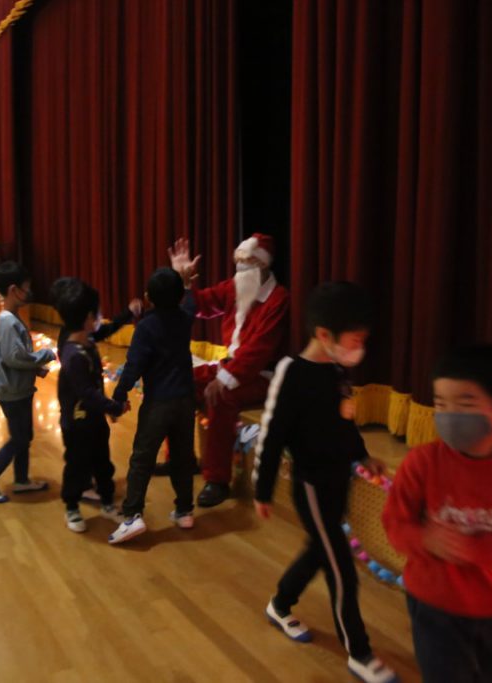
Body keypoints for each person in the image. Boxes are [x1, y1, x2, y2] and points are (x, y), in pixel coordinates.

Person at [253, 282, 396, 683]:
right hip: (311, 486)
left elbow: (344, 421)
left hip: (338, 481)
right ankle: (360, 654)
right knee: (341, 570)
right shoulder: (292, 372)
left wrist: (362, 455)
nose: (360, 348)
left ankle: (280, 604)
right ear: (323, 334)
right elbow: (272, 434)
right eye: (355, 340)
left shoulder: (336, 369)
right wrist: (262, 490)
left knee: (319, 551)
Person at [382, 345, 492, 683]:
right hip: (433, 605)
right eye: (440, 404)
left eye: (465, 404)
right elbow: (395, 526)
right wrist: (425, 539)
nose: (448, 415)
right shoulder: (421, 462)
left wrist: (470, 548)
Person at [169, 234, 289, 508]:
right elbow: (199, 305)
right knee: (177, 382)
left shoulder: (278, 298)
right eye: (238, 260)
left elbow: (258, 352)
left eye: (246, 260)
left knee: (221, 397)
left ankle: (217, 480)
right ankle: (180, 459)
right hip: (231, 366)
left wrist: (224, 379)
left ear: (263, 263)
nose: (240, 266)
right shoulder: (234, 287)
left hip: (262, 375)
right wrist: (183, 282)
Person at [108, 267, 196, 544]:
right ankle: (184, 511)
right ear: (179, 297)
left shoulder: (146, 326)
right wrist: (188, 284)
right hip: (186, 400)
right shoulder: (184, 318)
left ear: (148, 297)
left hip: (159, 402)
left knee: (142, 458)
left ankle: (132, 515)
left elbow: (134, 365)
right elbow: (190, 304)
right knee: (182, 456)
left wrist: (119, 395)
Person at [0, 262, 55, 503]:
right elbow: (14, 357)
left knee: (24, 435)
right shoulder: (8, 321)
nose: (29, 292)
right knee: (19, 438)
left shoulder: (11, 318)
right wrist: (44, 355)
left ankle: (21, 480)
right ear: (13, 290)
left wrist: (35, 369)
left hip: (20, 388)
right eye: (26, 288)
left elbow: (13, 357)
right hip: (12, 391)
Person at [52, 278, 126, 532]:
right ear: (88, 318)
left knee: (102, 462)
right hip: (76, 423)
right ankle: (72, 507)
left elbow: (93, 388)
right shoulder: (73, 354)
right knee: (76, 465)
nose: (100, 316)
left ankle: (107, 503)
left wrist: (106, 409)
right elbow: (85, 392)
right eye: (97, 312)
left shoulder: (87, 342)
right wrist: (113, 406)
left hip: (94, 419)